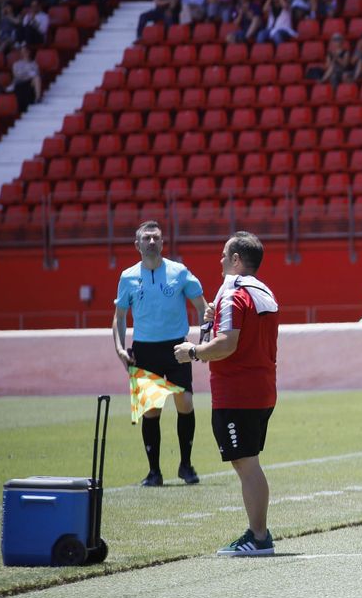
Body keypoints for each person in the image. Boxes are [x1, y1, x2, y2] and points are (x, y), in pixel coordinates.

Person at [173, 232, 280, 556]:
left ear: (236, 259)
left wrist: (192, 351)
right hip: (261, 388)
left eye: (224, 254)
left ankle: (258, 537)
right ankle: (258, 533)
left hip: (237, 391)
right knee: (247, 461)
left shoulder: (233, 292)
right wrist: (213, 318)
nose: (219, 260)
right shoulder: (263, 290)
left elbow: (227, 344)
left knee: (246, 464)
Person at [113, 220, 208, 487]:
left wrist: (204, 339)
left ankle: (186, 465)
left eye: (156, 238)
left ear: (163, 243)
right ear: (137, 245)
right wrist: (120, 348)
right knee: (151, 411)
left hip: (177, 347)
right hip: (144, 349)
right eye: (147, 238)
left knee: (185, 403)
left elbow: (203, 306)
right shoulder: (127, 277)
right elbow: (119, 316)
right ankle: (154, 472)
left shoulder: (179, 272)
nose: (152, 242)